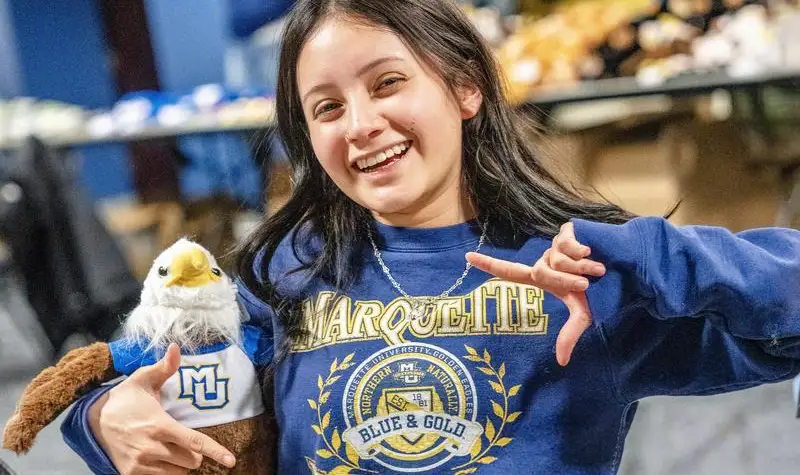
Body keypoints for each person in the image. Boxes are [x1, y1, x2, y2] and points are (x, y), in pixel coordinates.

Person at [60, 0, 800, 474]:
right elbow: (137, 383)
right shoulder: (284, 272)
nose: (360, 124)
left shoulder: (583, 272)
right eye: (326, 107)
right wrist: (104, 418)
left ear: (464, 86)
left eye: (386, 83)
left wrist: (644, 253)